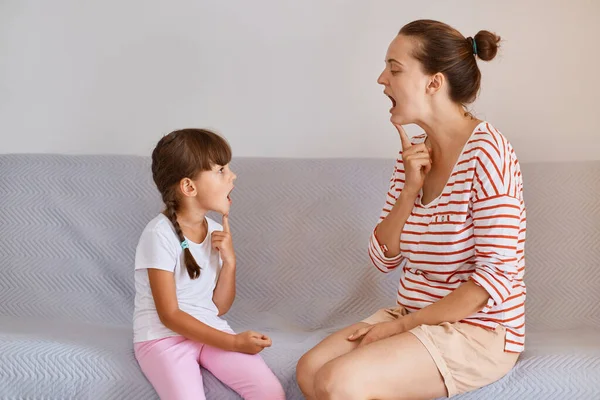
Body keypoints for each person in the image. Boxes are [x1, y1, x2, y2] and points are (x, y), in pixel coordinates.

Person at [296, 19, 526, 399]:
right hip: (415, 316)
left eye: (394, 68)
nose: (381, 79)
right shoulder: (416, 151)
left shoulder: (489, 153)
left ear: (433, 83)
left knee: (338, 382)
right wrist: (409, 190)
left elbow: (494, 280)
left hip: (478, 330)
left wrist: (402, 328)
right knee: (311, 370)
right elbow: (382, 258)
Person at [132, 128, 285, 400]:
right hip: (163, 339)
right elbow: (169, 316)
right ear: (189, 187)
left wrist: (230, 261)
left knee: (270, 392)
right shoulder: (159, 235)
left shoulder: (214, 231)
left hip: (208, 332)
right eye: (221, 170)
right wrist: (234, 342)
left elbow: (218, 307)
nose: (233, 175)